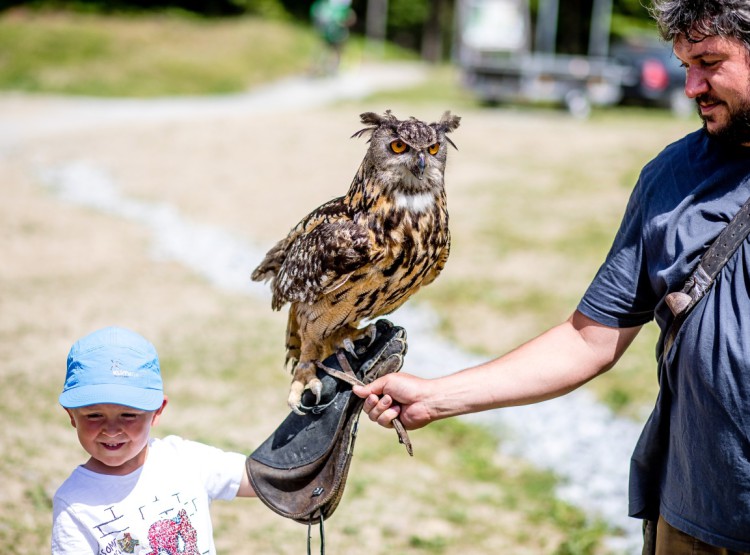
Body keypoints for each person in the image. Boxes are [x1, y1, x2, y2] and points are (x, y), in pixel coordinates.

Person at [354, 1, 750, 553]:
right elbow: (588, 340)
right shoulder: (672, 178)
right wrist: (437, 397)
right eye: (685, 65)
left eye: (709, 61)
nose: (692, 87)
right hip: (693, 523)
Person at [51, 326, 256, 554]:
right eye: (94, 415)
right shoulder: (74, 503)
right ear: (72, 416)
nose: (110, 430)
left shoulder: (186, 460)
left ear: (157, 411)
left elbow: (262, 478)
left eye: (128, 415)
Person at [310, 0, 356, 75]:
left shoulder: (338, 7)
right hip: (330, 31)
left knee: (335, 49)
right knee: (328, 48)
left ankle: (331, 67)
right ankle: (318, 66)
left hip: (335, 32)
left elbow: (349, 17)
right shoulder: (332, 6)